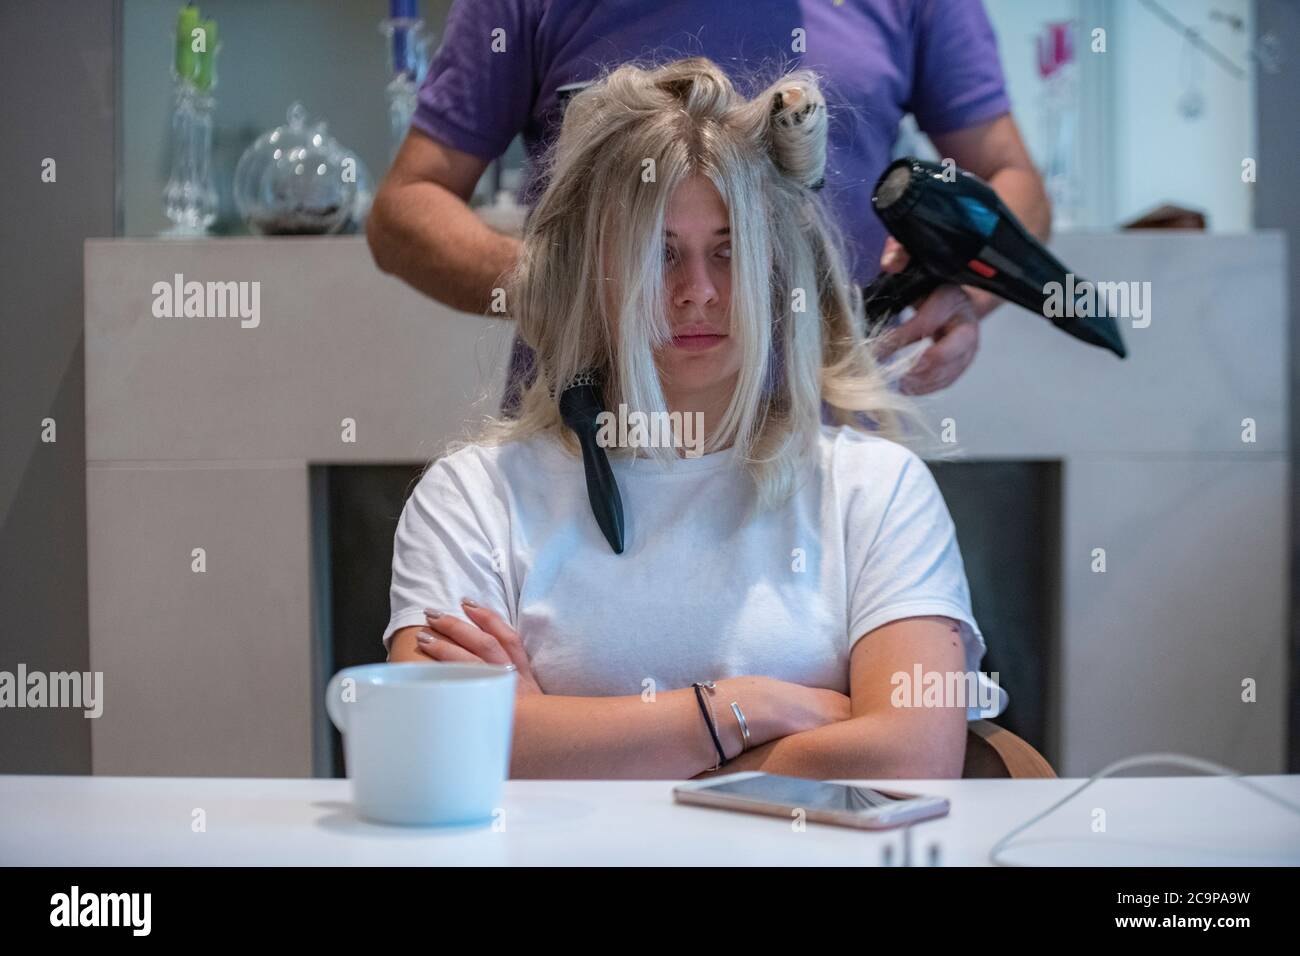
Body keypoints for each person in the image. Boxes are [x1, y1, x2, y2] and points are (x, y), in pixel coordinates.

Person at [383, 59, 1007, 781]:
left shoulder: (877, 491)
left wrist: (553, 740)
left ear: (776, 272)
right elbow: (432, 746)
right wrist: (744, 709)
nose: (698, 292)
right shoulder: (471, 499)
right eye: (659, 253)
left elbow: (911, 757)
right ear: (596, 272)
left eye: (727, 251)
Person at [367, 0, 1050, 403]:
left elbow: (1009, 176)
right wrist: (567, 287)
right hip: (589, 445)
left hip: (826, 438)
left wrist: (961, 285)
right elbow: (405, 208)